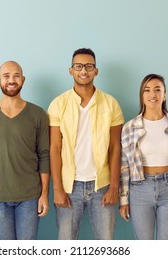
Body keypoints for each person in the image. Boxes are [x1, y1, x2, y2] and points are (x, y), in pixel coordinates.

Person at [48, 48, 124, 240]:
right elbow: (55, 149)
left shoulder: (111, 104)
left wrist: (114, 187)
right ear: (71, 70)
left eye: (89, 66)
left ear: (96, 71)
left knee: (106, 243)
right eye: (78, 66)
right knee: (66, 242)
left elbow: (116, 148)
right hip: (69, 186)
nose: (84, 71)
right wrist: (57, 188)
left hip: (102, 185)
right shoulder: (58, 104)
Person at [0, 61, 50, 240]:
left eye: (16, 76)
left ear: (23, 80)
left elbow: (44, 156)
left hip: (30, 197)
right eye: (6, 76)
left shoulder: (38, 114)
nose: (12, 80)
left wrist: (44, 195)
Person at [119, 74, 168, 240]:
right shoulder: (130, 128)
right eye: (147, 90)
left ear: (165, 94)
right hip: (140, 189)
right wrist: (123, 200)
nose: (152, 94)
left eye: (157, 90)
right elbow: (124, 167)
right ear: (142, 95)